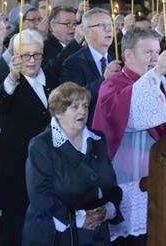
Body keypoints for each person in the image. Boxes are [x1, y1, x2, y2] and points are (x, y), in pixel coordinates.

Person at [92, 28, 166, 243]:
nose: (155, 58)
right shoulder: (113, 84)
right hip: (127, 170)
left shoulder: (160, 83)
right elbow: (131, 118)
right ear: (128, 56)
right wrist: (156, 74)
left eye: (157, 52)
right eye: (148, 53)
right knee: (133, 234)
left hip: (161, 169)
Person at [23, 82, 123, 246]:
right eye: (74, 107)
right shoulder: (42, 145)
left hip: (96, 234)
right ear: (58, 112)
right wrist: (77, 219)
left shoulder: (97, 139)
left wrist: (108, 209)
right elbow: (39, 194)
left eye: (85, 106)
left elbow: (111, 184)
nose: (82, 111)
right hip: (54, 235)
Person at [0, 29, 55, 245]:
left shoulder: (51, 79)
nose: (31, 60)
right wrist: (11, 78)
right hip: (18, 163)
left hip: (49, 164)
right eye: (25, 55)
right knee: (16, 227)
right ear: (15, 57)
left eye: (36, 55)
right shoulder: (7, 80)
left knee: (45, 224)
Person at [60, 8, 121, 126]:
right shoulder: (73, 63)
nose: (109, 29)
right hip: (89, 127)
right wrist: (104, 79)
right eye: (102, 25)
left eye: (110, 25)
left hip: (116, 126)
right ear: (87, 32)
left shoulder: (117, 59)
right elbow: (74, 99)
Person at [42, 6, 83, 85]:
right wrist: (75, 43)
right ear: (53, 26)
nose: (73, 27)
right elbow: (52, 70)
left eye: (74, 23)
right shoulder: (44, 46)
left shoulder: (81, 46)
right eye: (68, 23)